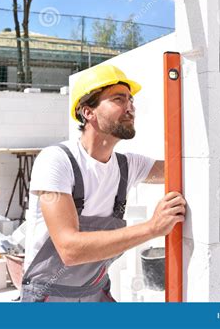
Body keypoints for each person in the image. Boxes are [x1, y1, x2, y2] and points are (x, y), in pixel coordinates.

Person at [21, 64, 186, 302]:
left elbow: (186, 166)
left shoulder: (128, 166)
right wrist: (152, 228)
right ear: (88, 112)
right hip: (49, 298)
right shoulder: (56, 161)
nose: (130, 107)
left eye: (131, 100)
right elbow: (69, 249)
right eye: (119, 99)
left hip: (95, 292)